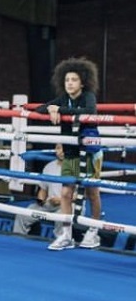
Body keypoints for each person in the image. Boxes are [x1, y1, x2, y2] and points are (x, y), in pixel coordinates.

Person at [35, 57, 102, 251]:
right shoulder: (63, 98)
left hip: (90, 151)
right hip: (71, 152)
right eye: (66, 80)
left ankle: (93, 230)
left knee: (92, 192)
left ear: (82, 82)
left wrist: (60, 110)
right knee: (66, 193)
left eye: (73, 79)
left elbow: (89, 110)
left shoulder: (88, 96)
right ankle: (66, 234)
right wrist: (50, 107)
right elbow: (40, 108)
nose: (70, 83)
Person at [13, 144, 64, 238]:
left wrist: (61, 200)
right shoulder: (49, 166)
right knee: (23, 214)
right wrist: (40, 200)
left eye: (64, 148)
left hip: (67, 204)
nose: (61, 151)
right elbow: (43, 189)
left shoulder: (75, 168)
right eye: (58, 148)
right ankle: (17, 239)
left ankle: (62, 241)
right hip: (50, 203)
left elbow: (79, 195)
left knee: (62, 218)